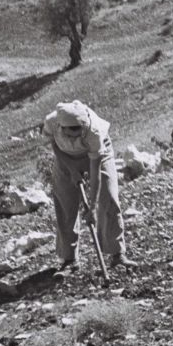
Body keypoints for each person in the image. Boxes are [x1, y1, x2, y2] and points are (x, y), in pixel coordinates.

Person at [42, 100, 135, 270]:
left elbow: (95, 171)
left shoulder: (94, 131)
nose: (74, 137)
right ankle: (69, 260)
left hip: (98, 155)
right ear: (61, 127)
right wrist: (71, 168)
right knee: (65, 203)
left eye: (78, 132)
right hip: (65, 158)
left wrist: (92, 207)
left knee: (109, 197)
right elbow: (53, 143)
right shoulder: (52, 121)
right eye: (70, 134)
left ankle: (117, 254)